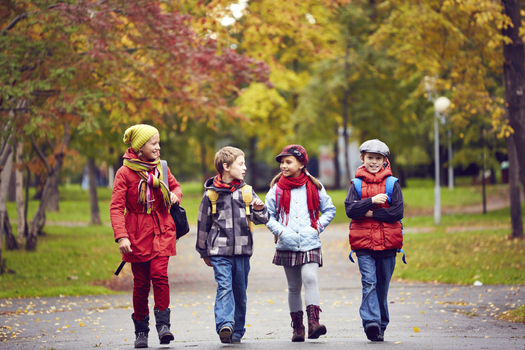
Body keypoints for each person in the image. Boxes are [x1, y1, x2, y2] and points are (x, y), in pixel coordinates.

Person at [110, 124, 183, 348]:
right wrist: (122, 236)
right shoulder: (124, 173)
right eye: (154, 144)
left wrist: (174, 195)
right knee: (141, 284)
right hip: (137, 234)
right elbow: (116, 208)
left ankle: (164, 326)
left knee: (160, 275)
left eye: (159, 143)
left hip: (162, 229)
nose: (158, 148)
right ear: (140, 148)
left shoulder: (162, 168)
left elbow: (177, 188)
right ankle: (141, 331)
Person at [196, 146, 269, 344]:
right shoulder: (211, 195)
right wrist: (204, 251)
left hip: (243, 251)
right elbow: (203, 224)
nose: (244, 167)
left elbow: (262, 218)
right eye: (240, 164)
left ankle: (237, 330)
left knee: (240, 292)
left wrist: (260, 210)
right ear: (226, 167)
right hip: (219, 251)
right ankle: (224, 325)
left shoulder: (247, 192)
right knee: (224, 287)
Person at [265, 145, 336, 342]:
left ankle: (314, 324)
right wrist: (280, 231)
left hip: (310, 241)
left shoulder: (315, 186)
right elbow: (267, 215)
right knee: (294, 286)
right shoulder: (276, 189)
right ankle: (298, 328)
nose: (283, 166)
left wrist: (317, 228)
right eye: (282, 162)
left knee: (310, 278)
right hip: (287, 243)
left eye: (288, 162)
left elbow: (330, 209)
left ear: (301, 164)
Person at [344, 139, 404, 342]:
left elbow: (396, 213)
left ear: (385, 160)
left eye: (378, 158)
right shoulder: (356, 185)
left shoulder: (392, 184)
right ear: (362, 158)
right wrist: (371, 201)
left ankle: (381, 325)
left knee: (382, 287)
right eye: (370, 157)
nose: (374, 162)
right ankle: (371, 323)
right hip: (364, 245)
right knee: (369, 282)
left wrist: (368, 214)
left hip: (388, 245)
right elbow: (350, 210)